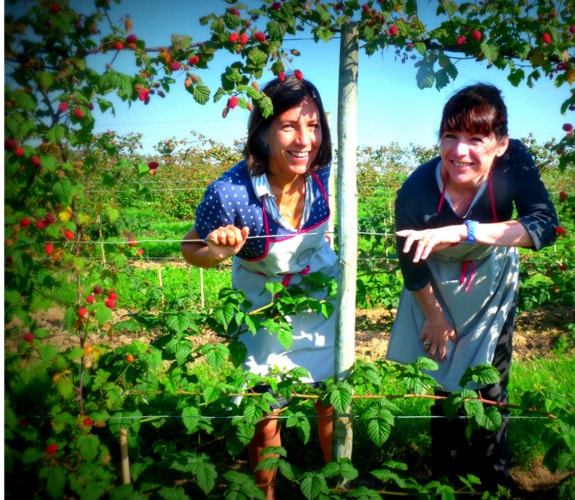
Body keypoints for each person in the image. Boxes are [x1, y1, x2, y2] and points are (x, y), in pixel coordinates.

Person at [386, 83, 559, 491]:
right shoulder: (416, 192)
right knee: (442, 373)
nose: (459, 151)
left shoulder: (514, 163)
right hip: (435, 284)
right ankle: (445, 476)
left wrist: (467, 232)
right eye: (450, 135)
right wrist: (433, 316)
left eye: (476, 139)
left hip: (490, 275)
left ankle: (491, 478)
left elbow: (544, 225)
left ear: (500, 144)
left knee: (490, 378)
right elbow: (411, 265)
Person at [181, 73, 336, 499]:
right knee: (264, 406)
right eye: (289, 125)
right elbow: (189, 247)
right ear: (263, 132)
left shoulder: (323, 173)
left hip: (318, 294)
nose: (304, 139)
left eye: (314, 126)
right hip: (261, 303)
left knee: (332, 396)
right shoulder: (230, 194)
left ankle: (338, 483)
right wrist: (216, 252)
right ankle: (264, 492)